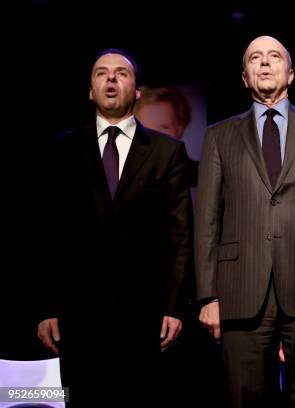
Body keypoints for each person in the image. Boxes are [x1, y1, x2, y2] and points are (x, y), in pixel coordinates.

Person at [195, 36, 295, 407]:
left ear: (291, 73)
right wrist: (208, 294)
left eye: (273, 57)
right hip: (240, 289)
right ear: (244, 76)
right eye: (255, 57)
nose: (265, 63)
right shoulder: (219, 136)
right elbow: (206, 221)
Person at [36, 49, 193, 406]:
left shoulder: (167, 152)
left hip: (145, 314)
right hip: (78, 315)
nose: (111, 78)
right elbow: (46, 233)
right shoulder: (62, 150)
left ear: (137, 90)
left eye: (121, 73)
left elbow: (180, 234)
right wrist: (46, 306)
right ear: (90, 90)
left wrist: (174, 306)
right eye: (101, 73)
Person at [134, 86, 198, 187]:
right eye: (145, 128)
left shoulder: (205, 178)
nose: (153, 137)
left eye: (163, 127)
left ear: (180, 128)